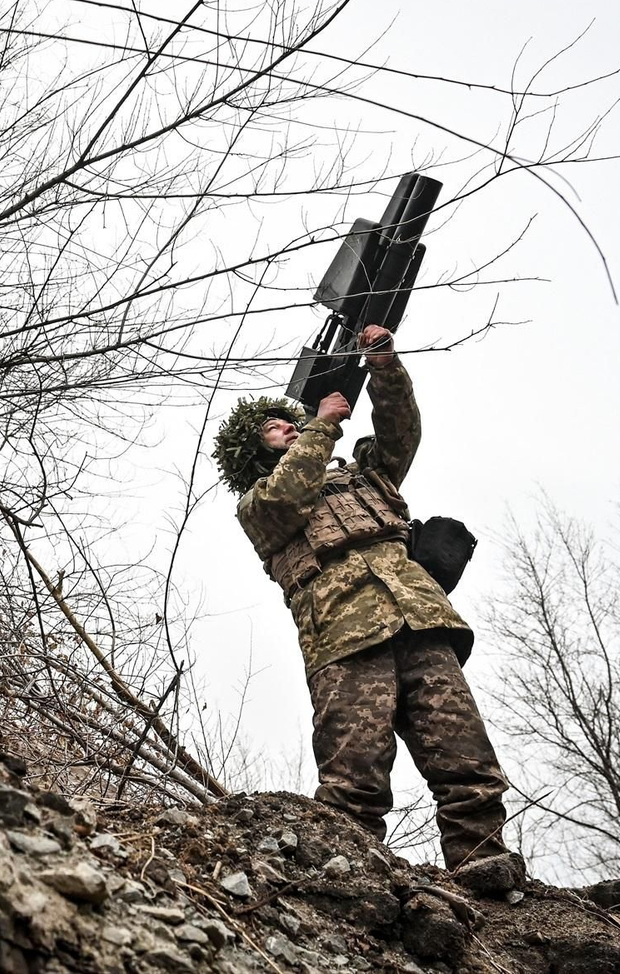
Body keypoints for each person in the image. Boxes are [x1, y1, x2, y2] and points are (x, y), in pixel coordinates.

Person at [211, 324, 523, 896]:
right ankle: (350, 882)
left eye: (288, 420)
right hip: (342, 637)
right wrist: (322, 423)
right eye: (272, 430)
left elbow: (401, 433)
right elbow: (289, 492)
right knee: (355, 772)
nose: (286, 425)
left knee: (465, 758)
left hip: (421, 619)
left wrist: (383, 363)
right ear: (256, 455)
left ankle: (483, 868)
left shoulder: (363, 477)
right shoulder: (258, 506)